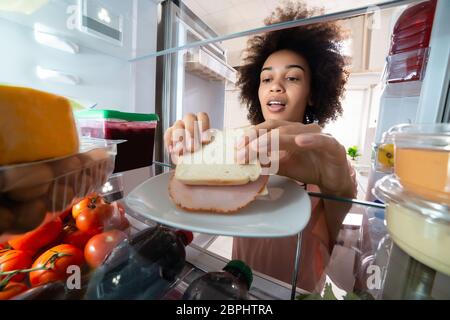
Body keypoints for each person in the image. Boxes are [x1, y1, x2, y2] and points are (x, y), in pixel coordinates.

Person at [164, 2, 357, 292]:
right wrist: (192, 162)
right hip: (237, 286)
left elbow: (338, 232)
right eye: (266, 78)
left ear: (314, 93)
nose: (275, 86)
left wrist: (338, 185)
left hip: (299, 293)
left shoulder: (329, 160)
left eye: (291, 78)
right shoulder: (239, 151)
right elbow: (204, 211)